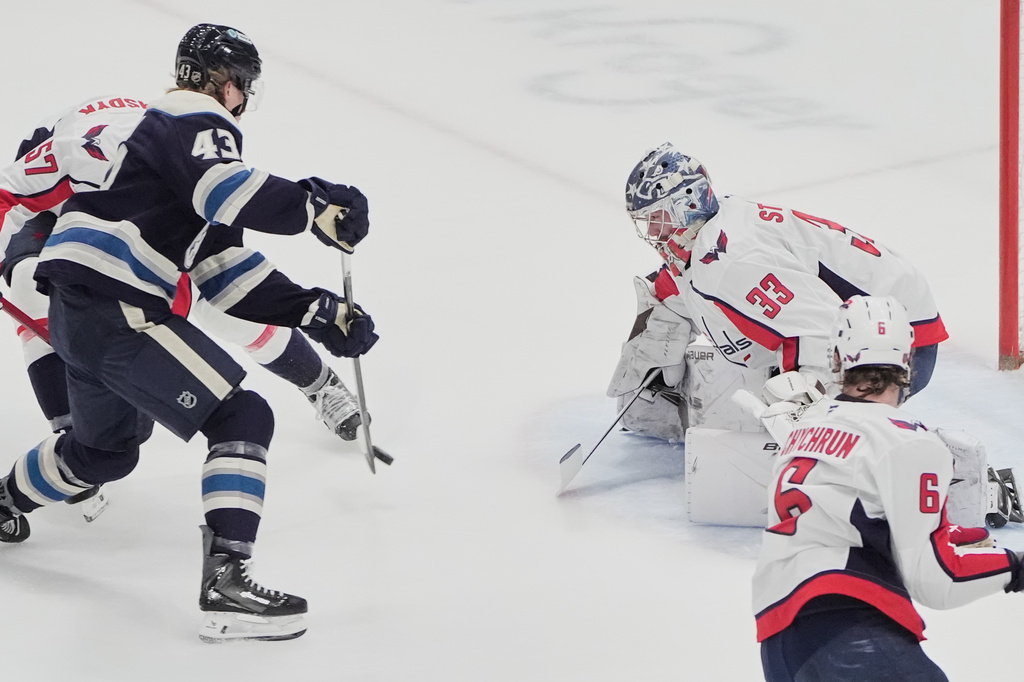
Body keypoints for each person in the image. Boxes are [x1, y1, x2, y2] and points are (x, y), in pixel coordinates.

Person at [0, 23, 377, 642]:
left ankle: (7, 502)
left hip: (75, 311)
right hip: (119, 304)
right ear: (226, 84)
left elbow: (226, 273)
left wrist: (316, 310)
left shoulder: (170, 153)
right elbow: (225, 188)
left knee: (104, 454)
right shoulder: (190, 123)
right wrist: (313, 205)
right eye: (243, 87)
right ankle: (227, 579)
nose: (244, 100)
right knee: (242, 416)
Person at [0, 94, 366, 447]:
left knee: (220, 304)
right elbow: (8, 194)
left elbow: (224, 261)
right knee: (30, 287)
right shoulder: (81, 150)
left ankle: (319, 383)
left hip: (133, 215)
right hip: (50, 213)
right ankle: (70, 432)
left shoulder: (186, 156)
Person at [752, 295, 1023, 681]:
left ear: (837, 360)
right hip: (848, 631)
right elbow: (937, 581)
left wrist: (946, 534)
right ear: (908, 362)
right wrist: (1015, 567)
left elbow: (843, 519)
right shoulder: (907, 441)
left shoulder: (806, 427)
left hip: (782, 645)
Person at [608, 142, 948, 440]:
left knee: (828, 452)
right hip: (883, 321)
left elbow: (818, 333)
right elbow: (672, 290)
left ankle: (950, 473)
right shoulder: (715, 234)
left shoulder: (732, 264)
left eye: (658, 218)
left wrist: (808, 417)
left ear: (688, 203)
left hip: (898, 347)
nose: (652, 231)